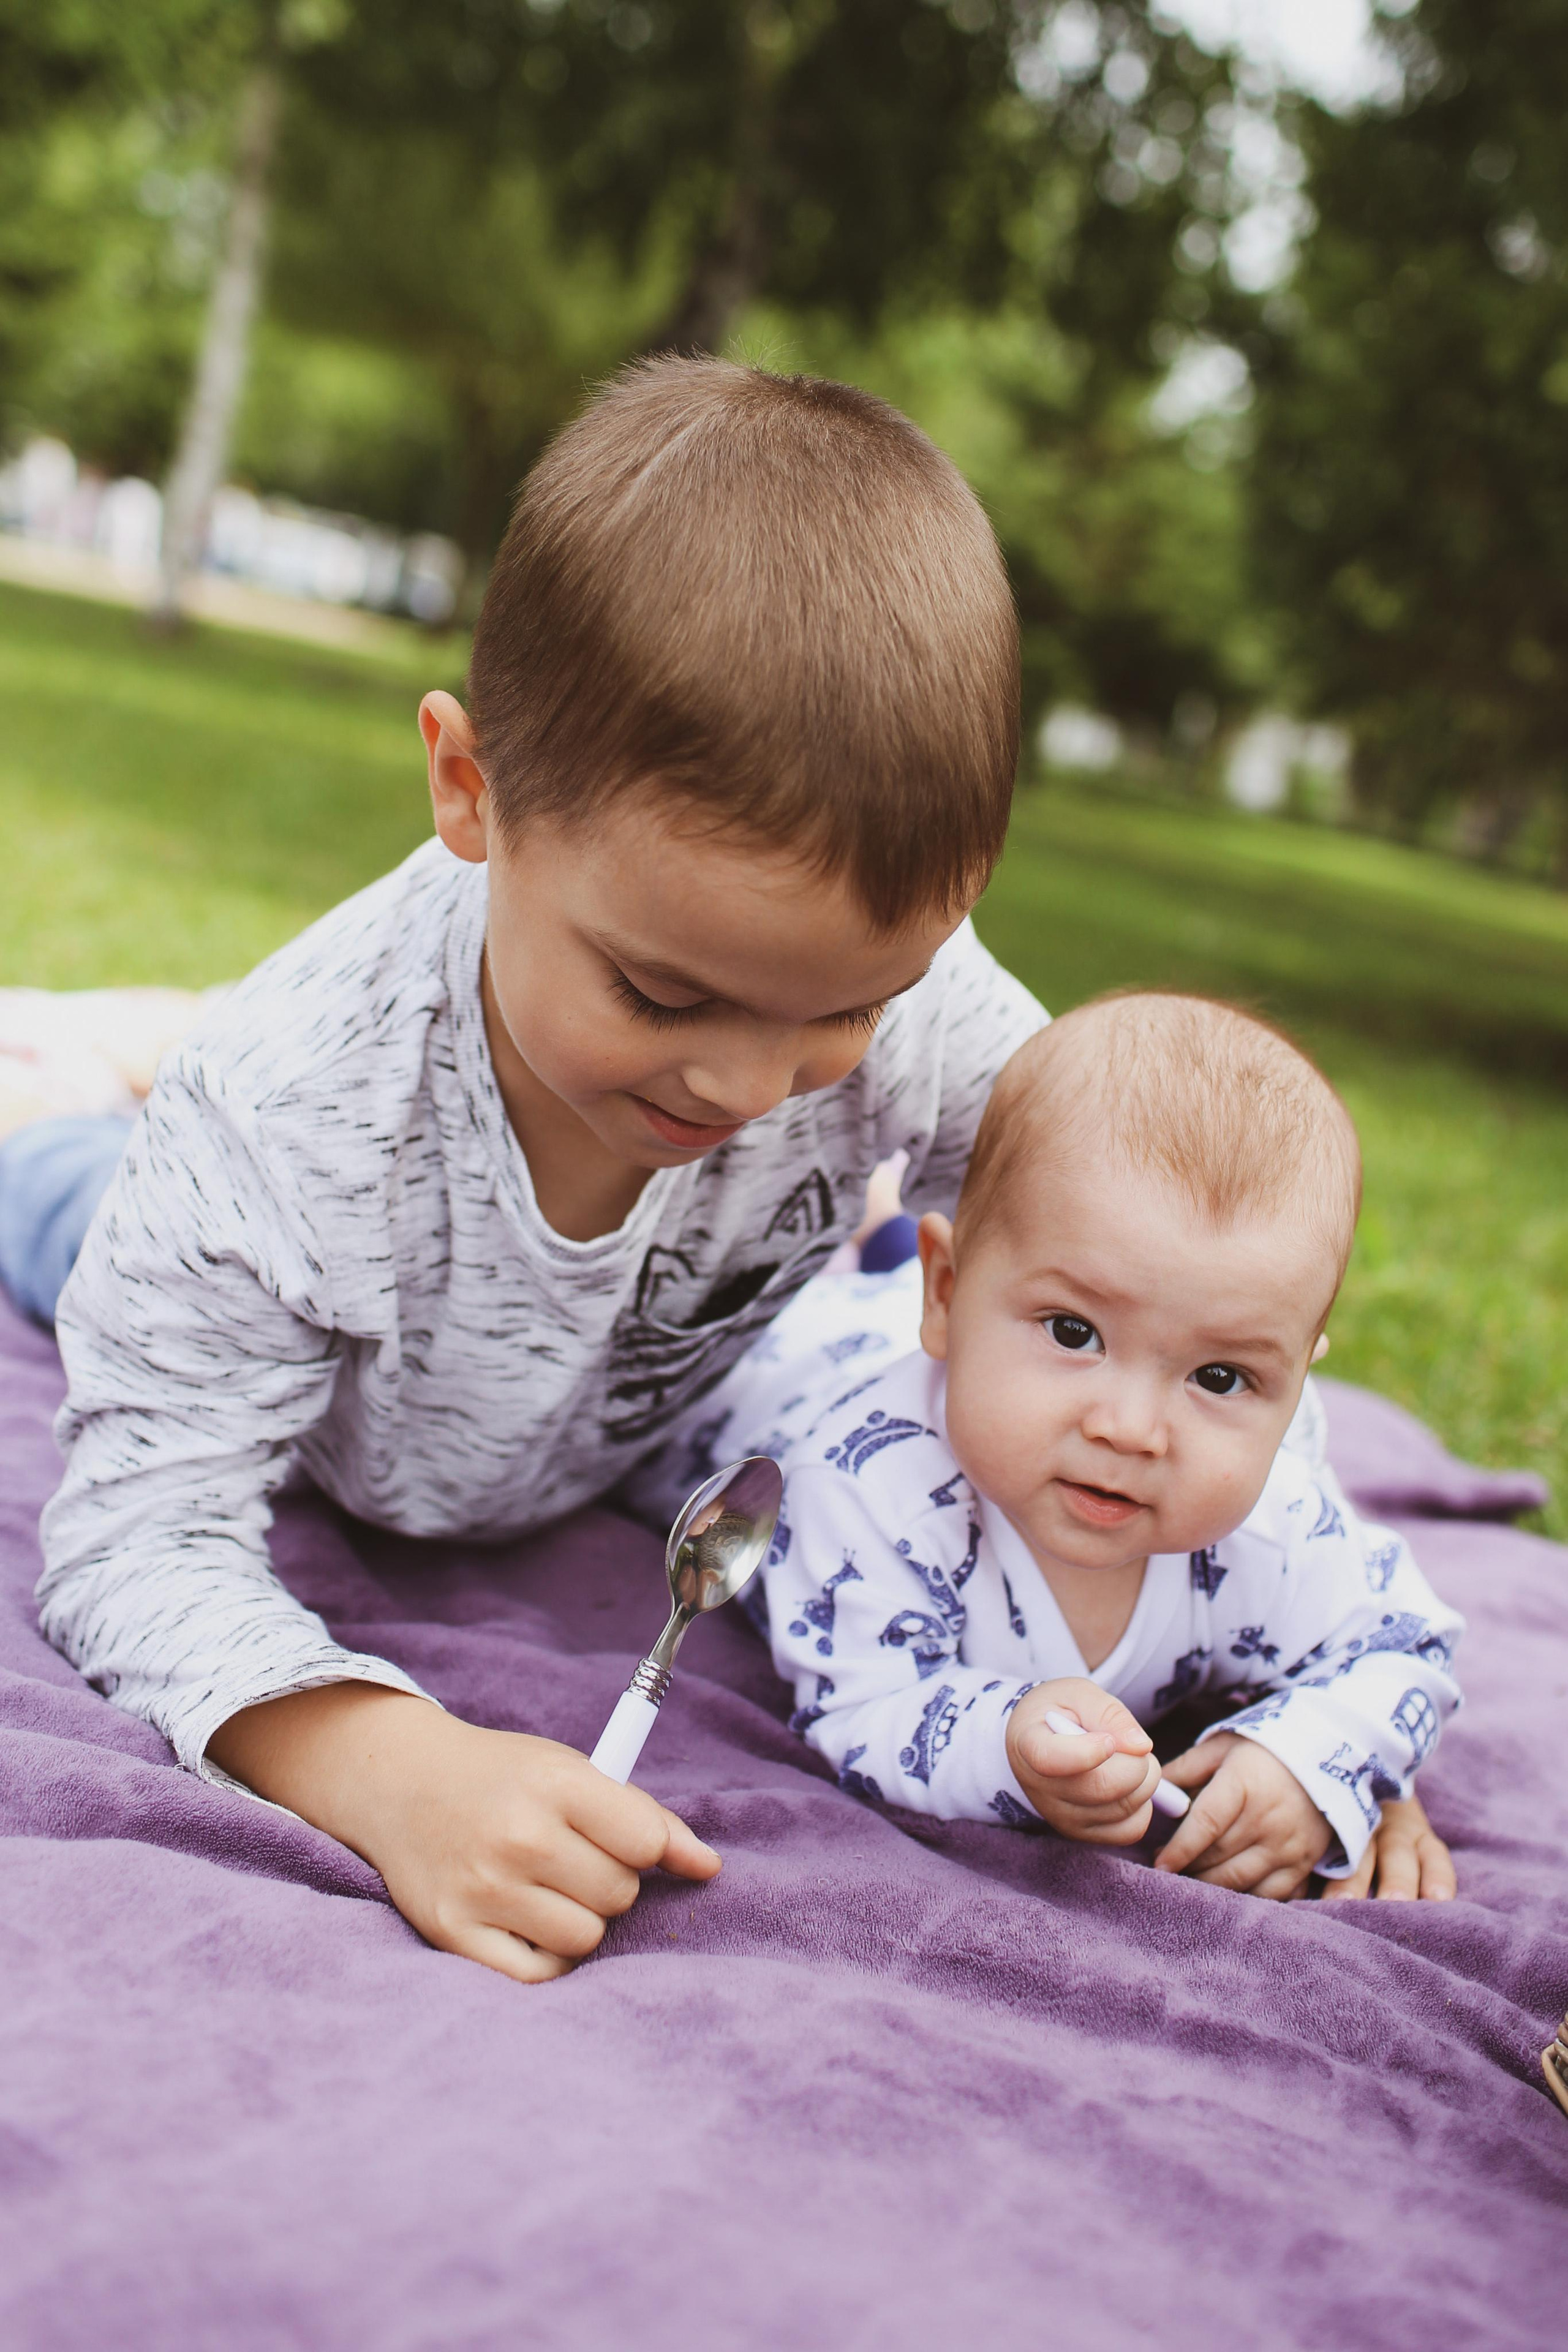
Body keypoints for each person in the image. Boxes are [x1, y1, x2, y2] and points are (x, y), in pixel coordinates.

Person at [35, 358, 1047, 1983]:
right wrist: (387, 1765)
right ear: (469, 789)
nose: (744, 1085)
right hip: (232, 1234)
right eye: (660, 994)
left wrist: (1306, 1699)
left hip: (559, 1415)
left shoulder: (917, 1003)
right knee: (64, 1185)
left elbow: (1125, 1224)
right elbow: (133, 1537)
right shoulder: (288, 1115)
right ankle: (67, 1079)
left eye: (842, 1010)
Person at [667, 993, 1463, 1901]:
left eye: (1221, 1378)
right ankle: (877, 1232)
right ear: (949, 1294)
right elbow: (862, 1706)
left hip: (955, 1313)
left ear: (1293, 1391)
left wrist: (1319, 1760)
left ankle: (910, 1243)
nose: (1129, 1428)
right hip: (811, 1354)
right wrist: (1009, 1739)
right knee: (829, 1286)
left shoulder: (1275, 1528)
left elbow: (1403, 1644)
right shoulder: (860, 1489)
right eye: (1075, 1331)